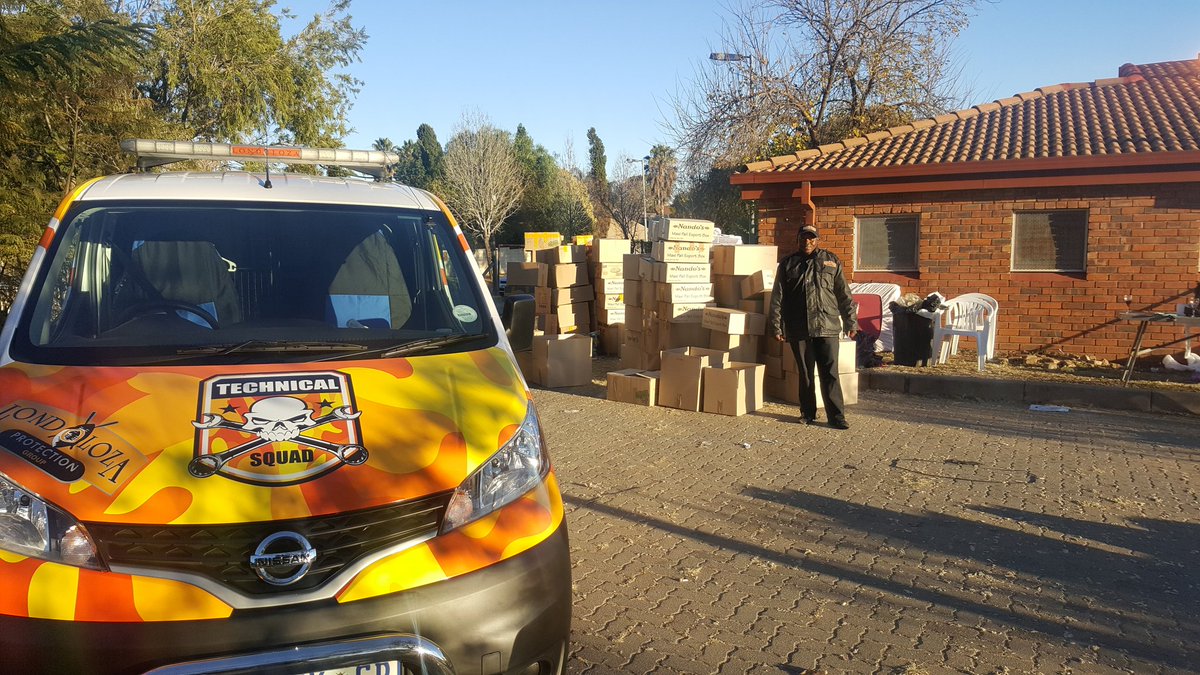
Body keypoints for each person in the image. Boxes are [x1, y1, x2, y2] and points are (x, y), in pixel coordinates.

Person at [768, 225, 858, 429]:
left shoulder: (831, 261)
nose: (807, 242)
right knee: (806, 374)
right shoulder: (788, 264)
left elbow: (844, 294)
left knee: (830, 373)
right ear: (797, 240)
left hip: (827, 325)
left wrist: (851, 320)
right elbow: (777, 298)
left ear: (817, 240)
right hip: (799, 328)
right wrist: (776, 326)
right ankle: (807, 413)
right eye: (803, 238)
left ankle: (837, 417)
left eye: (811, 238)